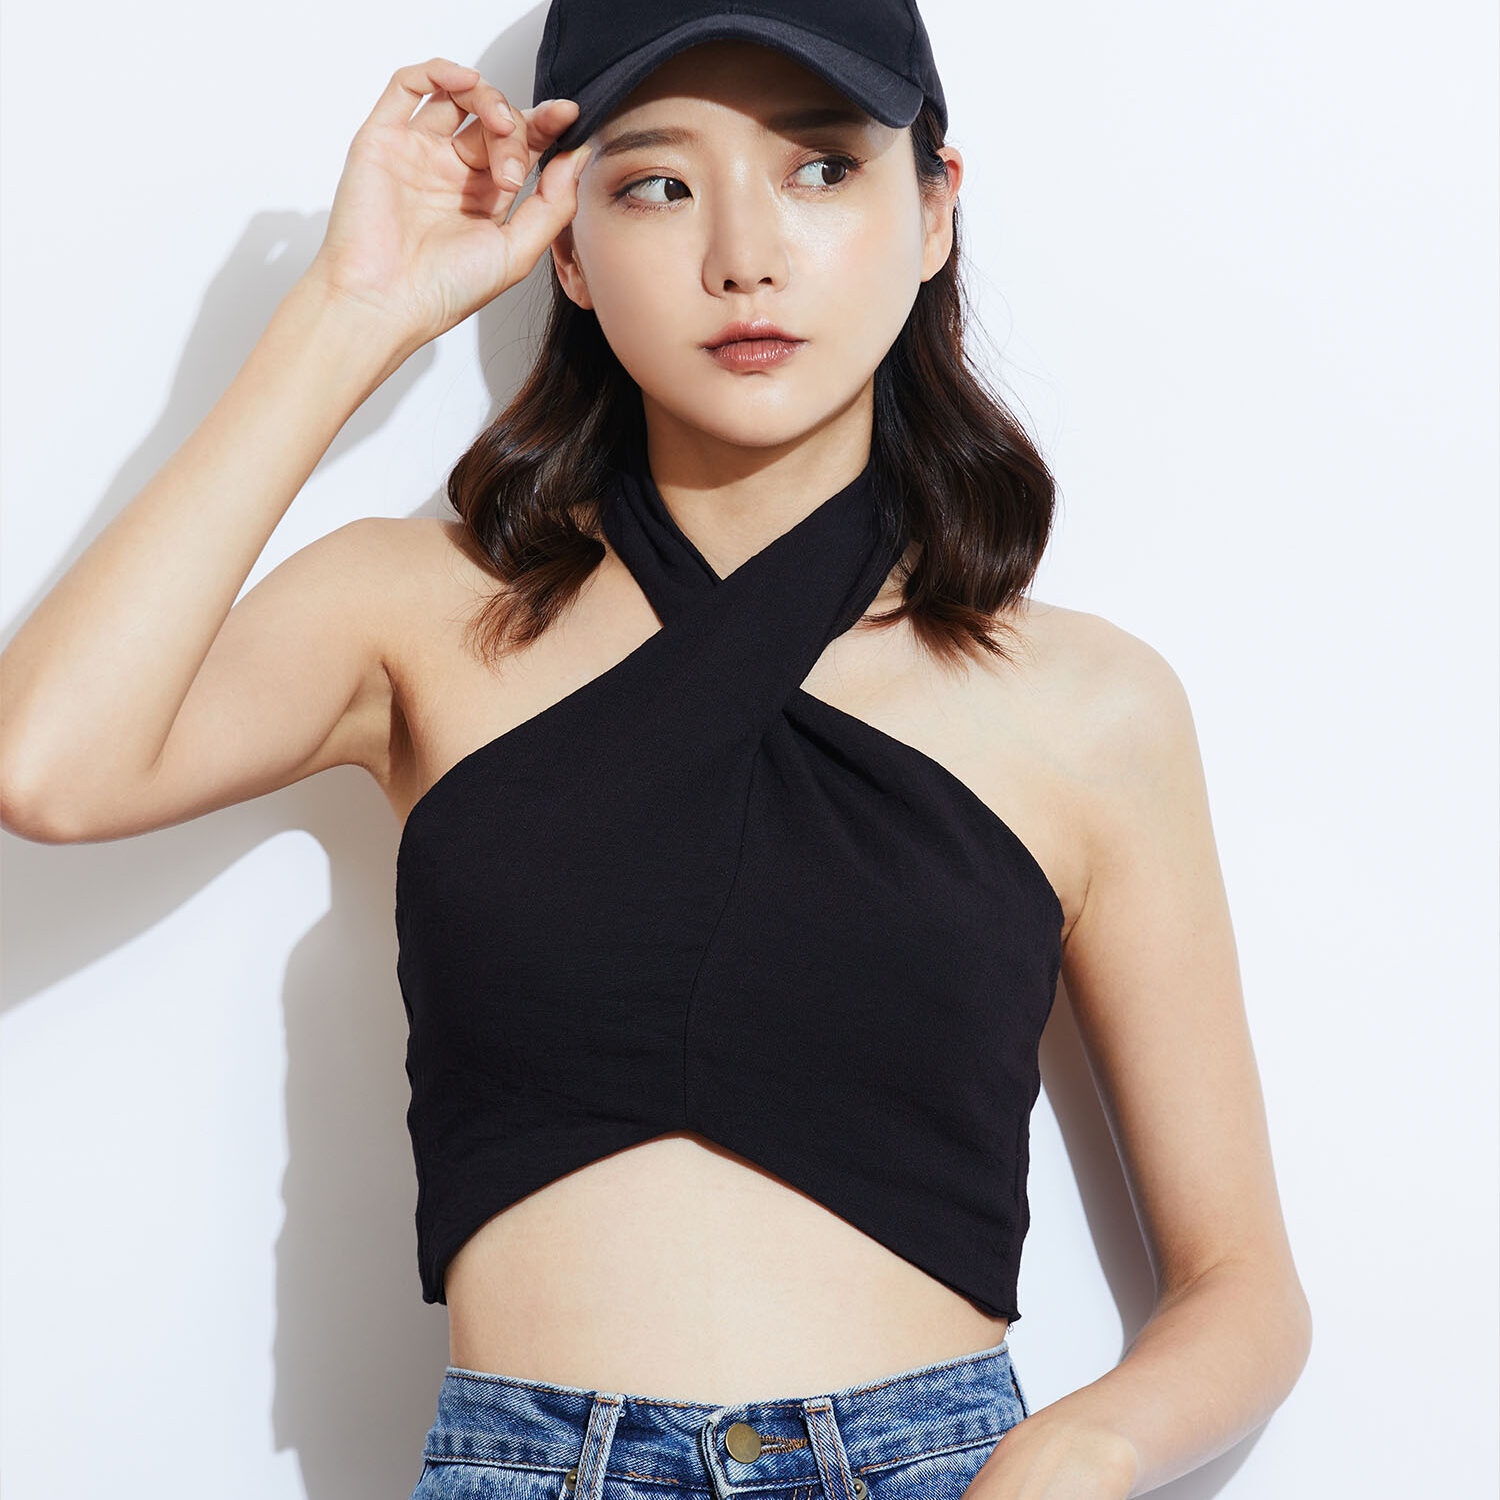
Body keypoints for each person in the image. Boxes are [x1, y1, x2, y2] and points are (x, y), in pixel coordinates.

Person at [0, 2, 1312, 1496]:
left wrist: (1079, 1453)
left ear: (937, 208)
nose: (743, 252)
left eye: (820, 169)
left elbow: (1242, 1286)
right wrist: (352, 312)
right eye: (656, 183)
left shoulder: (1085, 699)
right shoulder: (419, 613)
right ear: (563, 244)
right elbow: (48, 763)